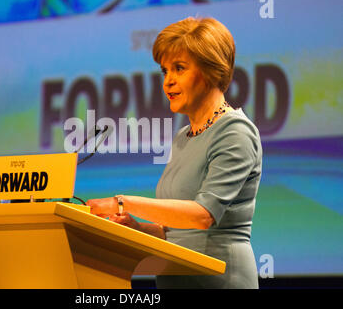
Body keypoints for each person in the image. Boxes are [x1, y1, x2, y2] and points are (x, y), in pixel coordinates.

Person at [86, 17, 262, 289]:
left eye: (179, 69)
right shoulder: (184, 137)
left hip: (220, 280)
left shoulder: (234, 131)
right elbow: (178, 233)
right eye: (164, 71)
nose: (168, 82)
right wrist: (138, 228)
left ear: (211, 71)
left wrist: (122, 202)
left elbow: (202, 215)